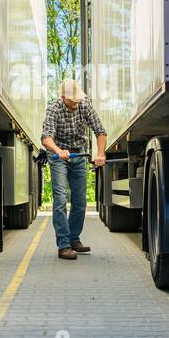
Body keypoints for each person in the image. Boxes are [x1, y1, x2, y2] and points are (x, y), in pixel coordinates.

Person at [41, 79, 107, 259]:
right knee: (61, 199)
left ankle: (73, 239)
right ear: (63, 98)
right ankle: (63, 245)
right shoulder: (54, 109)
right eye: (73, 100)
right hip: (58, 156)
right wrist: (59, 151)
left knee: (80, 201)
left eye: (78, 99)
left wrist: (100, 153)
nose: (76, 103)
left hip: (78, 156)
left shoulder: (84, 105)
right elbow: (46, 138)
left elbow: (100, 131)